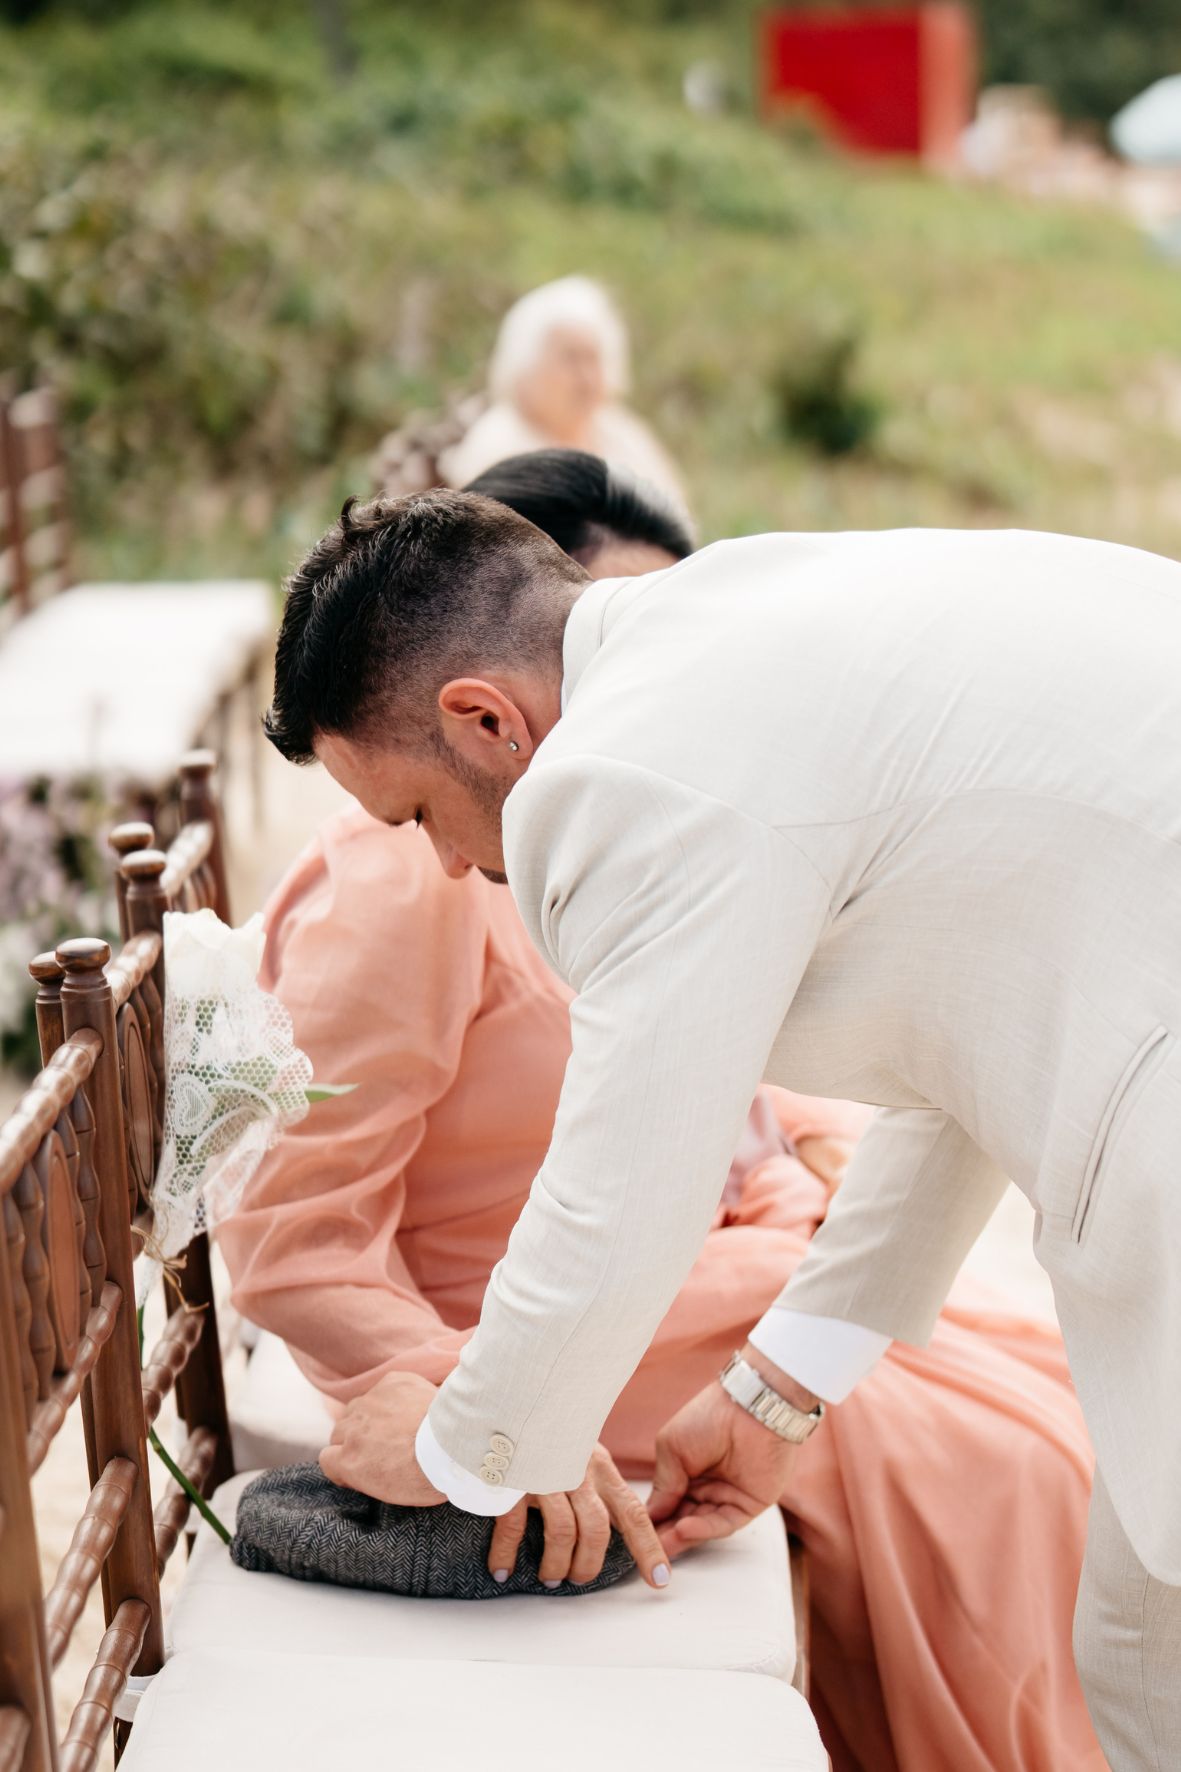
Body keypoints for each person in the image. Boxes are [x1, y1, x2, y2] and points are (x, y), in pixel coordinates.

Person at [262, 491, 1181, 1770]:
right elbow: (964, 1043)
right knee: (1140, 1648)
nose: (445, 865)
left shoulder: (612, 778)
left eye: (416, 814)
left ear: (485, 720)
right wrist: (775, 1391)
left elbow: (621, 1184)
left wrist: (451, 1446)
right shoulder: (734, 619)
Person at [438, 277, 688, 519]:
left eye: (593, 359)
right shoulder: (498, 448)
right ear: (525, 367)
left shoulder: (622, 433)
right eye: (571, 359)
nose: (587, 378)